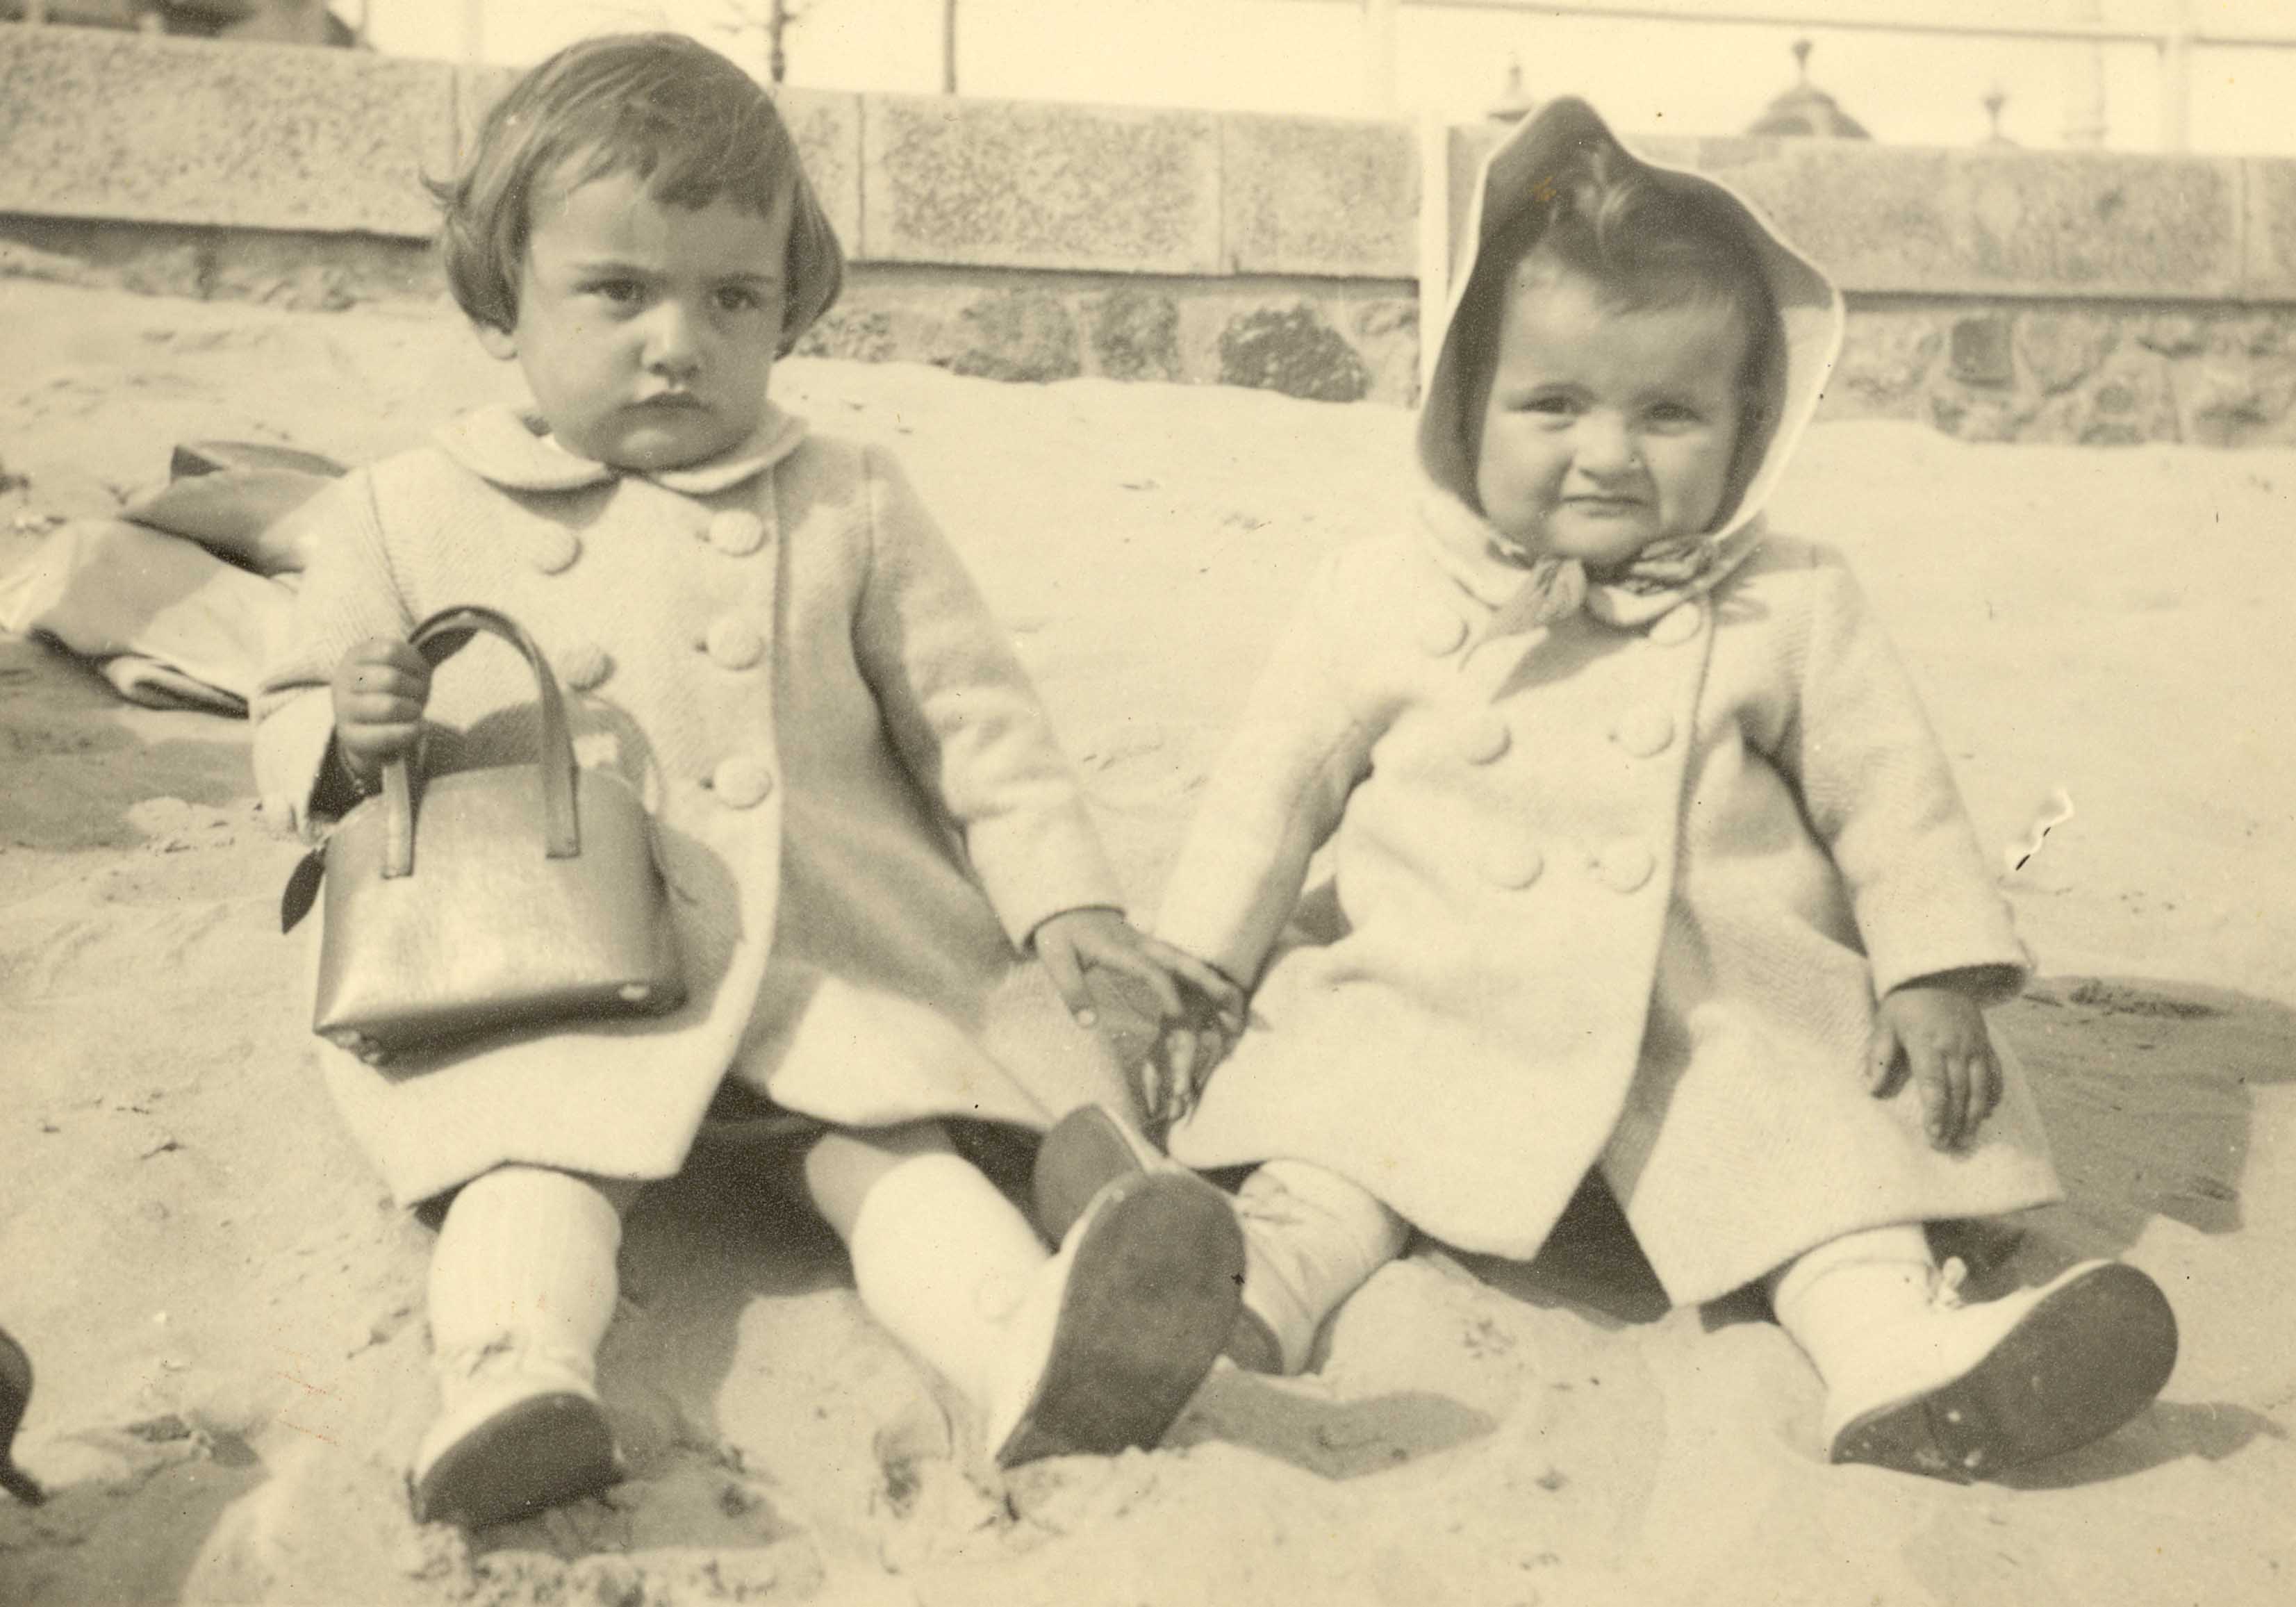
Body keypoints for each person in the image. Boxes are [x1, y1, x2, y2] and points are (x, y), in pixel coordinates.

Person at [1040, 97, 2177, 1483]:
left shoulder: (1792, 598)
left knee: (1829, 1144)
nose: (1608, 453)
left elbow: (1891, 798)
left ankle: (1893, 1347)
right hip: (1441, 983)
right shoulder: (1378, 589)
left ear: (1751, 424)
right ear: (1466, 402)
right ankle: (1233, 1300)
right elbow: (1268, 798)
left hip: (1710, 1011)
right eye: (1554, 404)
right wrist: (1200, 968)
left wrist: (1930, 968)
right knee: (1334, 1136)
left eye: (1670, 413)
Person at [253, 32, 1241, 1531]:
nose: (678, 342)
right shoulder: (404, 509)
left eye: (733, 298)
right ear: (502, 297)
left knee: (891, 1148)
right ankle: (511, 1378)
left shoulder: (845, 498)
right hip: (537, 960)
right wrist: (352, 728)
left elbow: (978, 724)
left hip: (814, 948)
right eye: (619, 292)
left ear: (790, 306)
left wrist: (1065, 904)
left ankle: (1026, 1346)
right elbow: (286, 716)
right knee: (527, 1158)